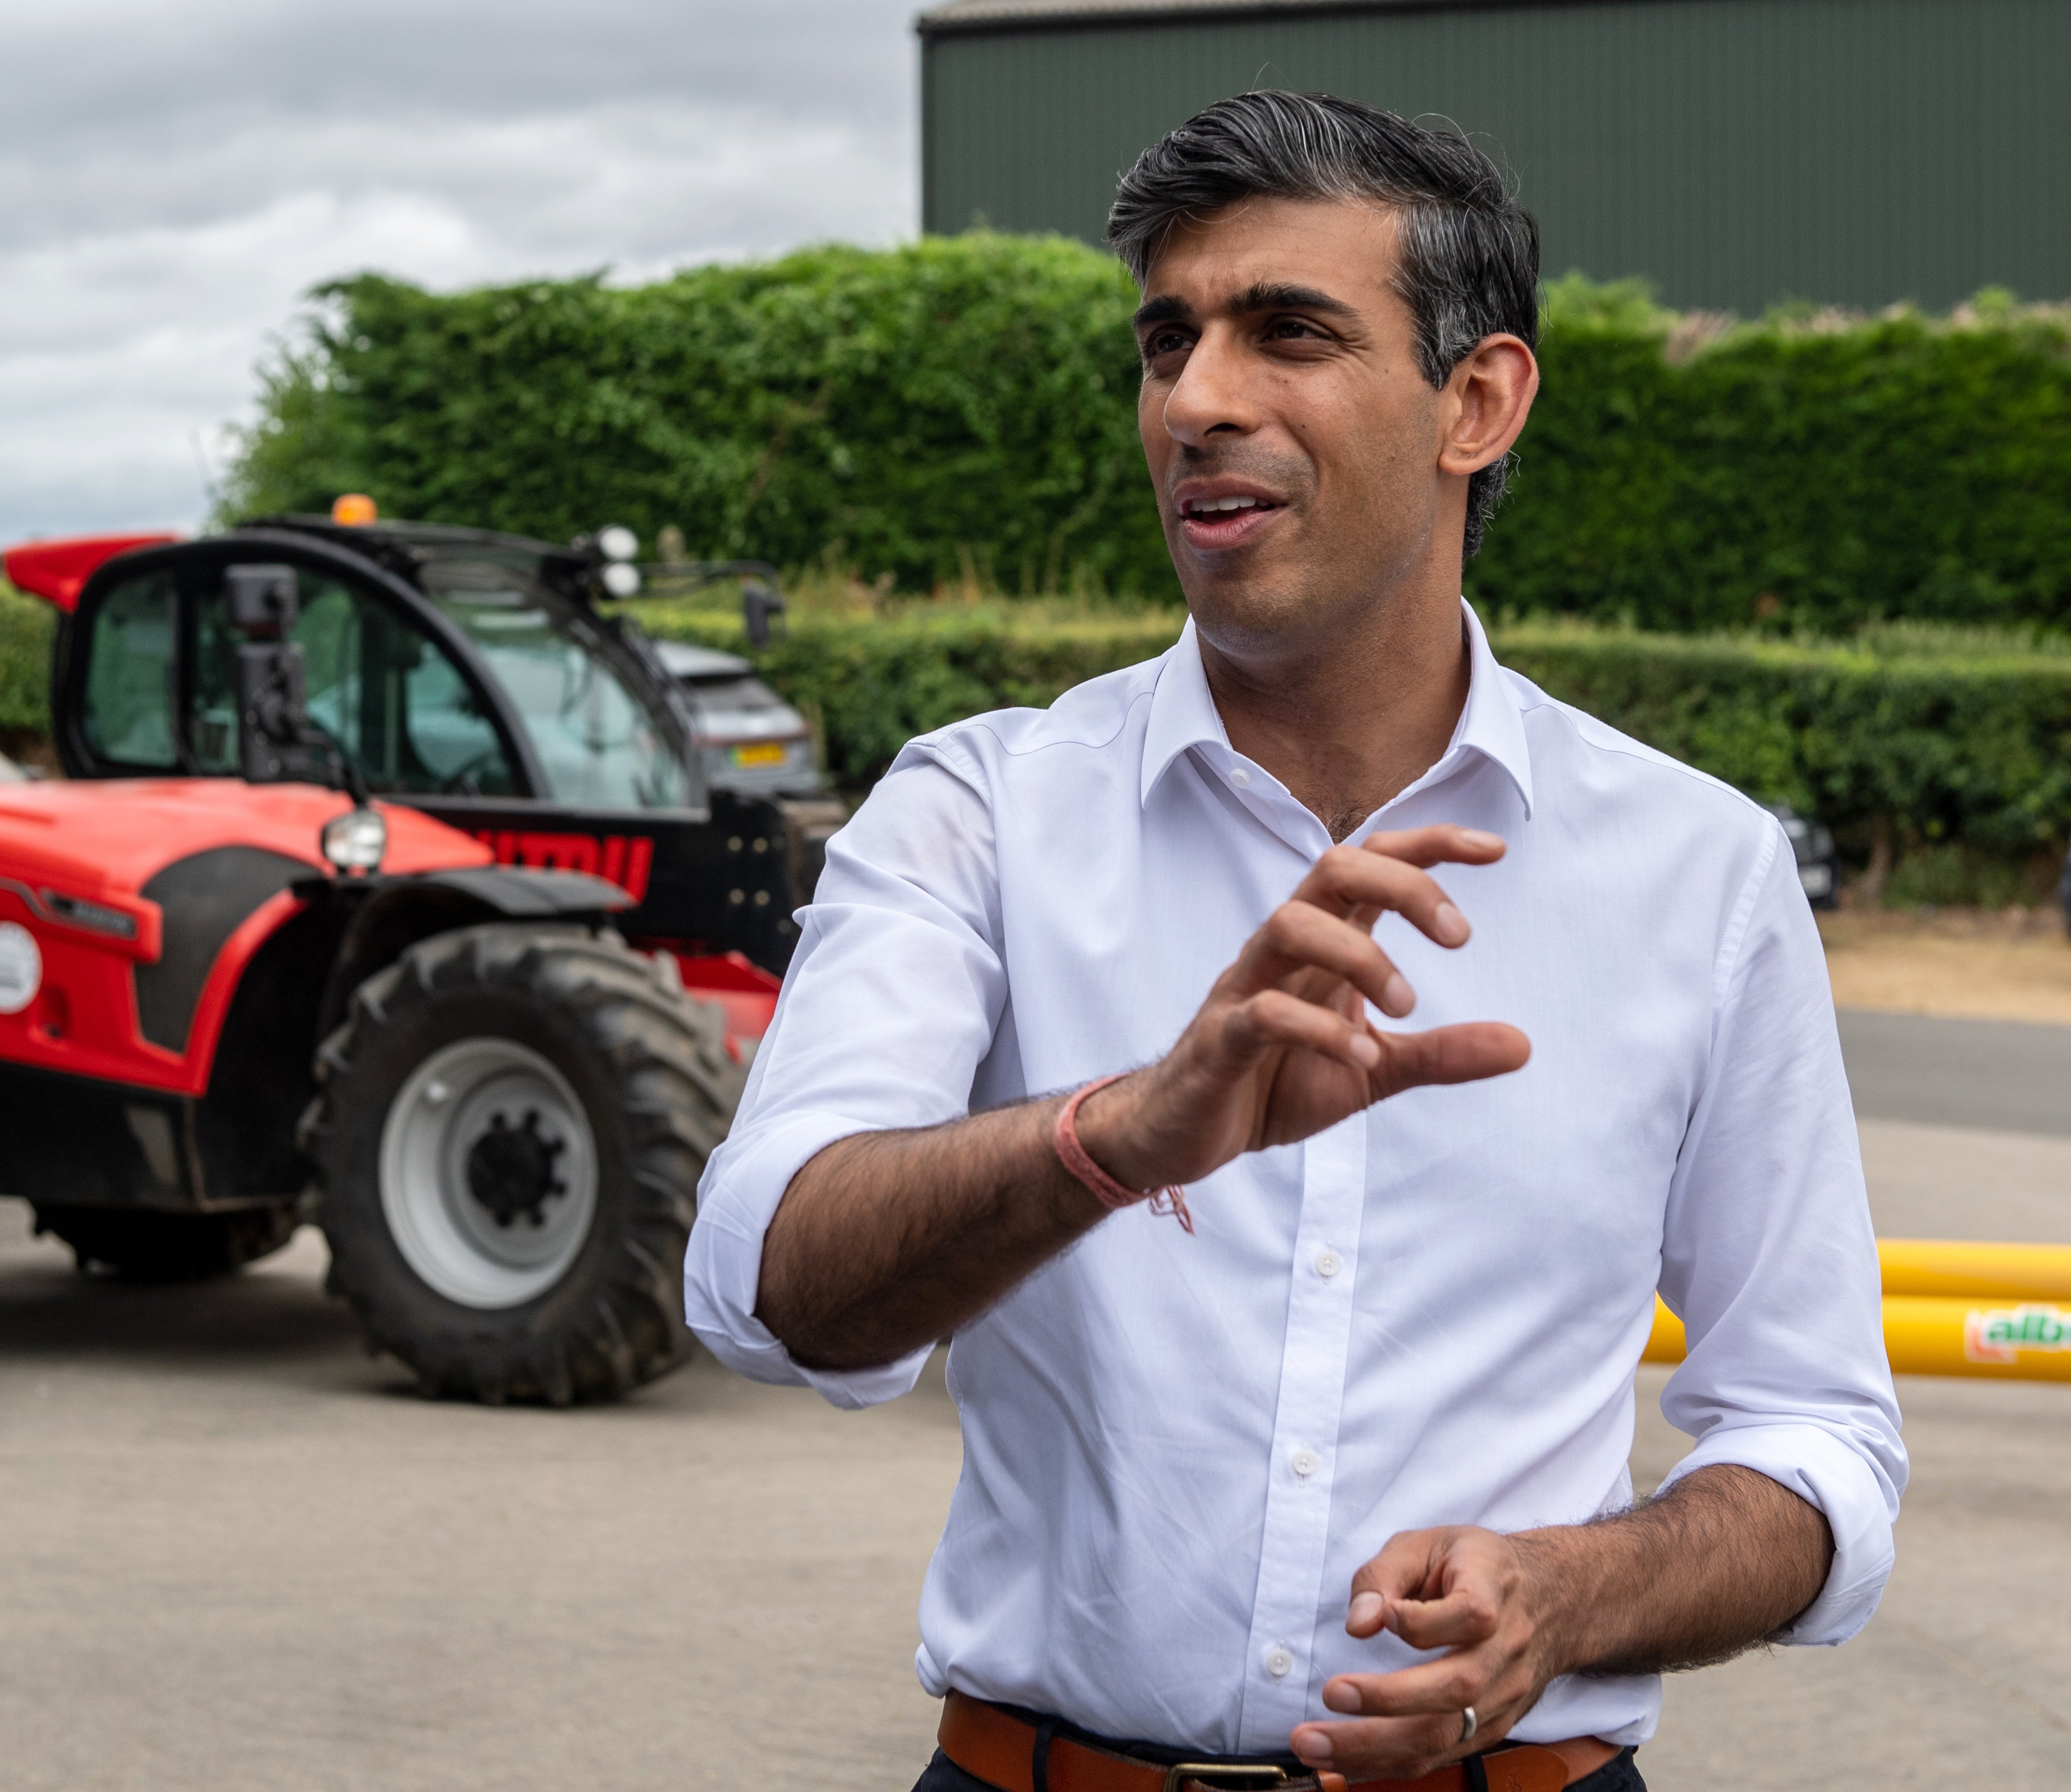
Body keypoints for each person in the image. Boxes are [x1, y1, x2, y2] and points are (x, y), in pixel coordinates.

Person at [685, 91, 1903, 1792]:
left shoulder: (1696, 870)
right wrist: (1106, 1139)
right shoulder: (977, 810)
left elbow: (1815, 1436)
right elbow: (766, 1289)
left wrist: (1572, 1591)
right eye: (1166, 339)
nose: (1195, 401)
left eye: (1288, 334)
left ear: (1473, 401)